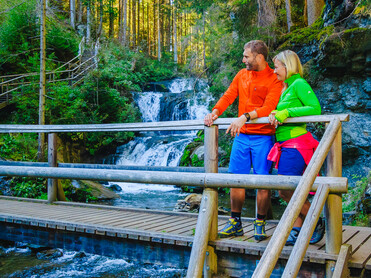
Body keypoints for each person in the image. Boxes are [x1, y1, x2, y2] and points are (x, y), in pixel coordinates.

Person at [204, 40, 282, 240]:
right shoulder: (241, 74)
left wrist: (245, 116)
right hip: (242, 136)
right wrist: (214, 112)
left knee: (262, 181)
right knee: (235, 179)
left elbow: (270, 107)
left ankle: (260, 223)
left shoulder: (275, 78)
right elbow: (229, 95)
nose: (243, 59)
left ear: (260, 57)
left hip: (263, 137)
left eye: (247, 56)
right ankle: (235, 222)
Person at [267, 50, 324, 245]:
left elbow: (315, 108)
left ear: (287, 66)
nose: (274, 71)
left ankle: (314, 219)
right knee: (292, 188)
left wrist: (285, 113)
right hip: (285, 145)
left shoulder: (299, 84)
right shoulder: (286, 87)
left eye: (276, 67)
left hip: (296, 144)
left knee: (284, 189)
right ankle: (299, 229)